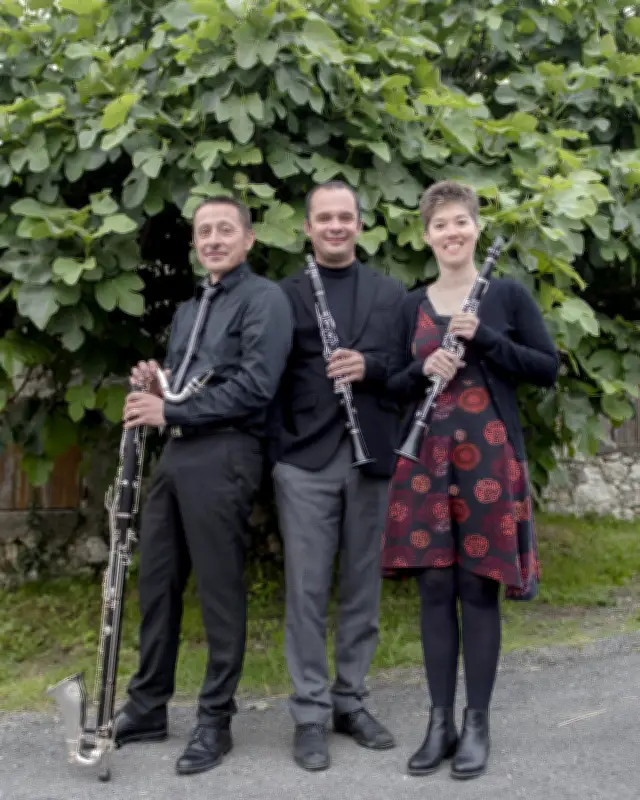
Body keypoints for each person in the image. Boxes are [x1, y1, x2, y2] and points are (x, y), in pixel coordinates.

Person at [382, 180, 558, 780]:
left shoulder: (504, 294)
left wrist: (485, 338)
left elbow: (546, 367)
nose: (452, 232)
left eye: (461, 221)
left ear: (475, 227)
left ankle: (477, 721)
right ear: (425, 234)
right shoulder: (411, 304)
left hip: (487, 460)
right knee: (434, 591)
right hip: (425, 460)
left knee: (478, 589)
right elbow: (392, 383)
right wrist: (421, 367)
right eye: (440, 224)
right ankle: (440, 723)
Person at [113, 196, 293, 776]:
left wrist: (170, 412)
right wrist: (157, 384)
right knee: (157, 583)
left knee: (218, 591)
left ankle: (215, 720)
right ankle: (147, 708)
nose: (212, 239)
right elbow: (188, 387)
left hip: (227, 452)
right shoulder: (192, 307)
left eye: (224, 230)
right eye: (203, 232)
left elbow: (257, 387)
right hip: (180, 453)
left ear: (249, 238)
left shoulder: (265, 299)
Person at [269, 180, 406, 771]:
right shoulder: (284, 294)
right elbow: (268, 380)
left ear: (358, 223)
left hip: (371, 456)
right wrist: (279, 450)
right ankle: (309, 714)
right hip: (305, 461)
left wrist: (370, 367)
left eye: (344, 217)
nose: (334, 226)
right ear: (307, 227)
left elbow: (409, 371)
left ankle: (350, 701)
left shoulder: (391, 293)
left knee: (361, 589)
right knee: (304, 592)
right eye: (323, 218)